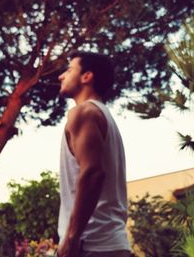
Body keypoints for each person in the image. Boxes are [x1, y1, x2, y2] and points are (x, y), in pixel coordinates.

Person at [56, 52, 131, 257]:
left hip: (90, 246)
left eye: (69, 69)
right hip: (109, 244)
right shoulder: (103, 116)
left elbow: (92, 174)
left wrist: (71, 238)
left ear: (86, 77)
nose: (61, 76)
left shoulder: (84, 113)